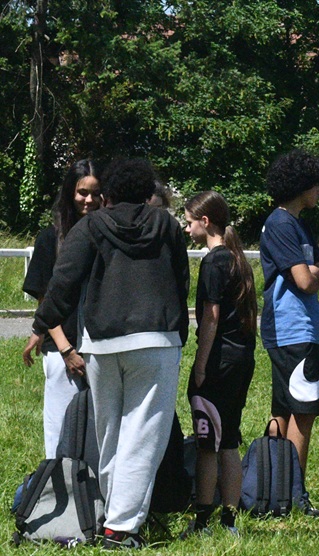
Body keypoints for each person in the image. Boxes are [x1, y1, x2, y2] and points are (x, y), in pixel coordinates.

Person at [32, 158, 190, 549]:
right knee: (143, 435)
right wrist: (180, 333)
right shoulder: (167, 225)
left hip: (101, 343)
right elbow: (181, 281)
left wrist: (43, 322)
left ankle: (109, 513)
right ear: (148, 193)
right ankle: (120, 527)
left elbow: (64, 279)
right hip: (155, 340)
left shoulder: (91, 226)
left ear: (108, 194)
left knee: (110, 434)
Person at [260, 149, 319, 516]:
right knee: (302, 413)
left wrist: (313, 271)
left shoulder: (299, 225)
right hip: (291, 329)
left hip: (299, 330)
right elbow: (306, 281)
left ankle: (274, 491)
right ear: (300, 185)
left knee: (285, 410)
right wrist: (312, 272)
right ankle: (293, 494)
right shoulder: (280, 224)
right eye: (316, 184)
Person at [181, 191, 257, 537]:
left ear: (205, 221)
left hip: (219, 361)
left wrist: (200, 365)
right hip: (241, 359)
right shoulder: (238, 259)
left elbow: (210, 317)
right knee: (228, 441)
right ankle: (230, 520)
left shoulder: (213, 262)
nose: (187, 229)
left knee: (207, 443)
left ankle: (202, 522)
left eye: (189, 222)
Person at [22, 159, 102, 458]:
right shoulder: (50, 238)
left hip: (100, 347)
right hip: (62, 348)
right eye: (82, 192)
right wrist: (66, 350)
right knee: (59, 432)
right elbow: (46, 301)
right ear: (70, 192)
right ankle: (57, 481)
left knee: (98, 433)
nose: (89, 200)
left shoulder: (106, 237)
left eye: (95, 193)